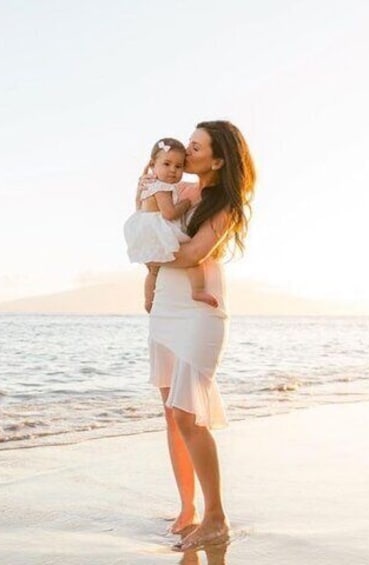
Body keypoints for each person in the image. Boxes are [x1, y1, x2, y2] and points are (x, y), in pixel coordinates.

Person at [146, 120, 255, 552]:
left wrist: (147, 248)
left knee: (190, 415)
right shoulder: (181, 192)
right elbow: (147, 217)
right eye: (187, 145)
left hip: (200, 313)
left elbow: (191, 252)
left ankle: (216, 517)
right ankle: (187, 509)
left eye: (195, 146)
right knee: (173, 415)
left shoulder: (226, 205)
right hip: (167, 309)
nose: (187, 152)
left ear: (218, 158)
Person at [124, 138, 219, 313]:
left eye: (178, 166)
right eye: (167, 164)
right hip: (158, 229)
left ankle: (148, 301)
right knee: (193, 263)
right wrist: (184, 205)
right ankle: (197, 291)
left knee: (153, 271)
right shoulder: (162, 188)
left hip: (144, 231)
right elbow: (169, 213)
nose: (173, 171)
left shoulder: (149, 185)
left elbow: (139, 206)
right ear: (153, 164)